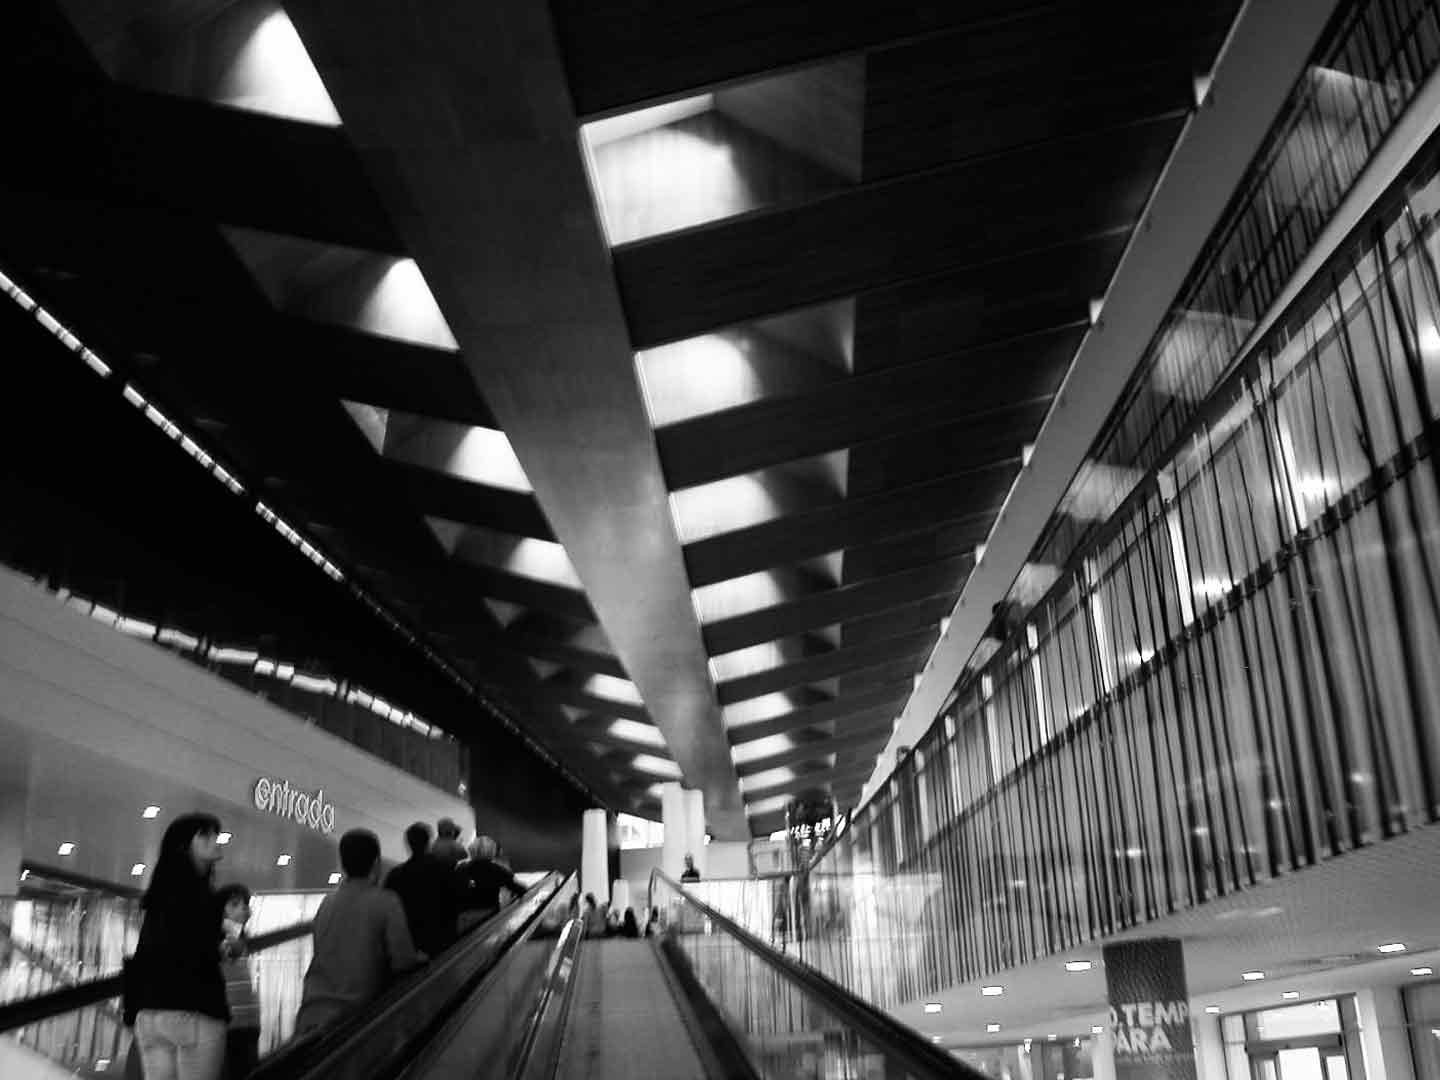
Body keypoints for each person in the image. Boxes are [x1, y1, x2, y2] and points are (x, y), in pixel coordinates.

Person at [124, 812, 229, 1080]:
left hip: (150, 1015)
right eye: (204, 835)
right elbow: (202, 952)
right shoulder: (203, 897)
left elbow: (149, 952)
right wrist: (225, 947)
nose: (215, 840)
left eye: (215, 834)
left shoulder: (158, 897)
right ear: (184, 845)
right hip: (193, 1010)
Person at [295, 829, 424, 1033]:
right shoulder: (386, 902)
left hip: (311, 1017)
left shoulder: (327, 903)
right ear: (376, 863)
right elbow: (403, 961)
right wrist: (419, 958)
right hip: (355, 1022)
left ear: (343, 864)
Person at [383, 822, 459, 958]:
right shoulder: (444, 870)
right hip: (441, 942)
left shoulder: (395, 875)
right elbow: (455, 903)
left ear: (408, 844)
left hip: (410, 944)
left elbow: (388, 912)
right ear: (429, 842)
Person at [215, 884, 260, 1080]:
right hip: (231, 1023)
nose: (243, 908)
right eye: (234, 904)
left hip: (249, 1020)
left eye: (245, 904)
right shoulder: (223, 939)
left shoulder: (242, 939)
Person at [455, 835, 522, 932]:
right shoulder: (497, 869)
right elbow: (516, 888)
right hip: (489, 914)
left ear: (471, 850)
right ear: (492, 851)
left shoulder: (461, 868)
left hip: (464, 916)